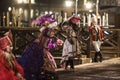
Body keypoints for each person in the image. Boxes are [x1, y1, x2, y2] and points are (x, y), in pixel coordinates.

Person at [17, 14, 63, 80]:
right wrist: (55, 44)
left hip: (43, 51)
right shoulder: (47, 35)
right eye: (54, 30)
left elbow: (47, 46)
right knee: (45, 68)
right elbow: (45, 46)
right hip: (42, 52)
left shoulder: (47, 35)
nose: (55, 33)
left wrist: (56, 44)